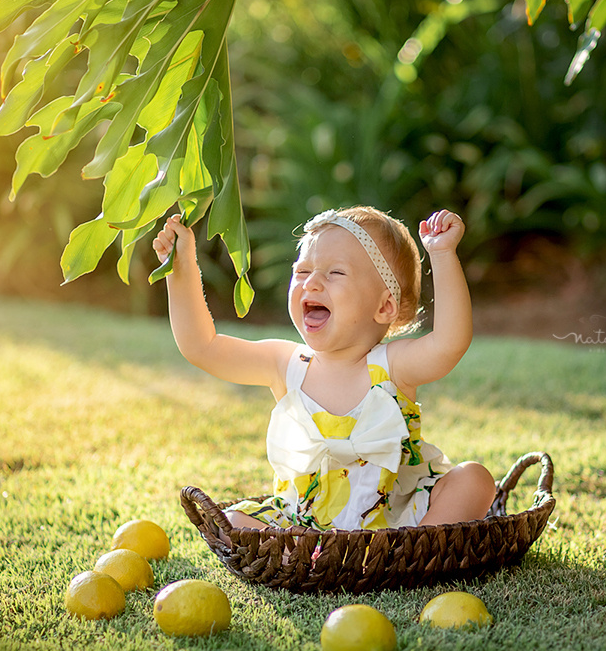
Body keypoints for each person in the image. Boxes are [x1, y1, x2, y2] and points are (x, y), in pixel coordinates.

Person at [152, 205, 496, 533]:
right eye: (301, 271)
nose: (311, 283)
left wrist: (442, 254)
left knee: (474, 479)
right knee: (232, 522)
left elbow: (450, 342)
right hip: (304, 522)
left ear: (385, 305)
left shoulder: (392, 366)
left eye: (335, 273)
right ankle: (304, 556)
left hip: (396, 521)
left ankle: (419, 547)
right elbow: (203, 347)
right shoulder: (286, 365)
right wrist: (181, 269)